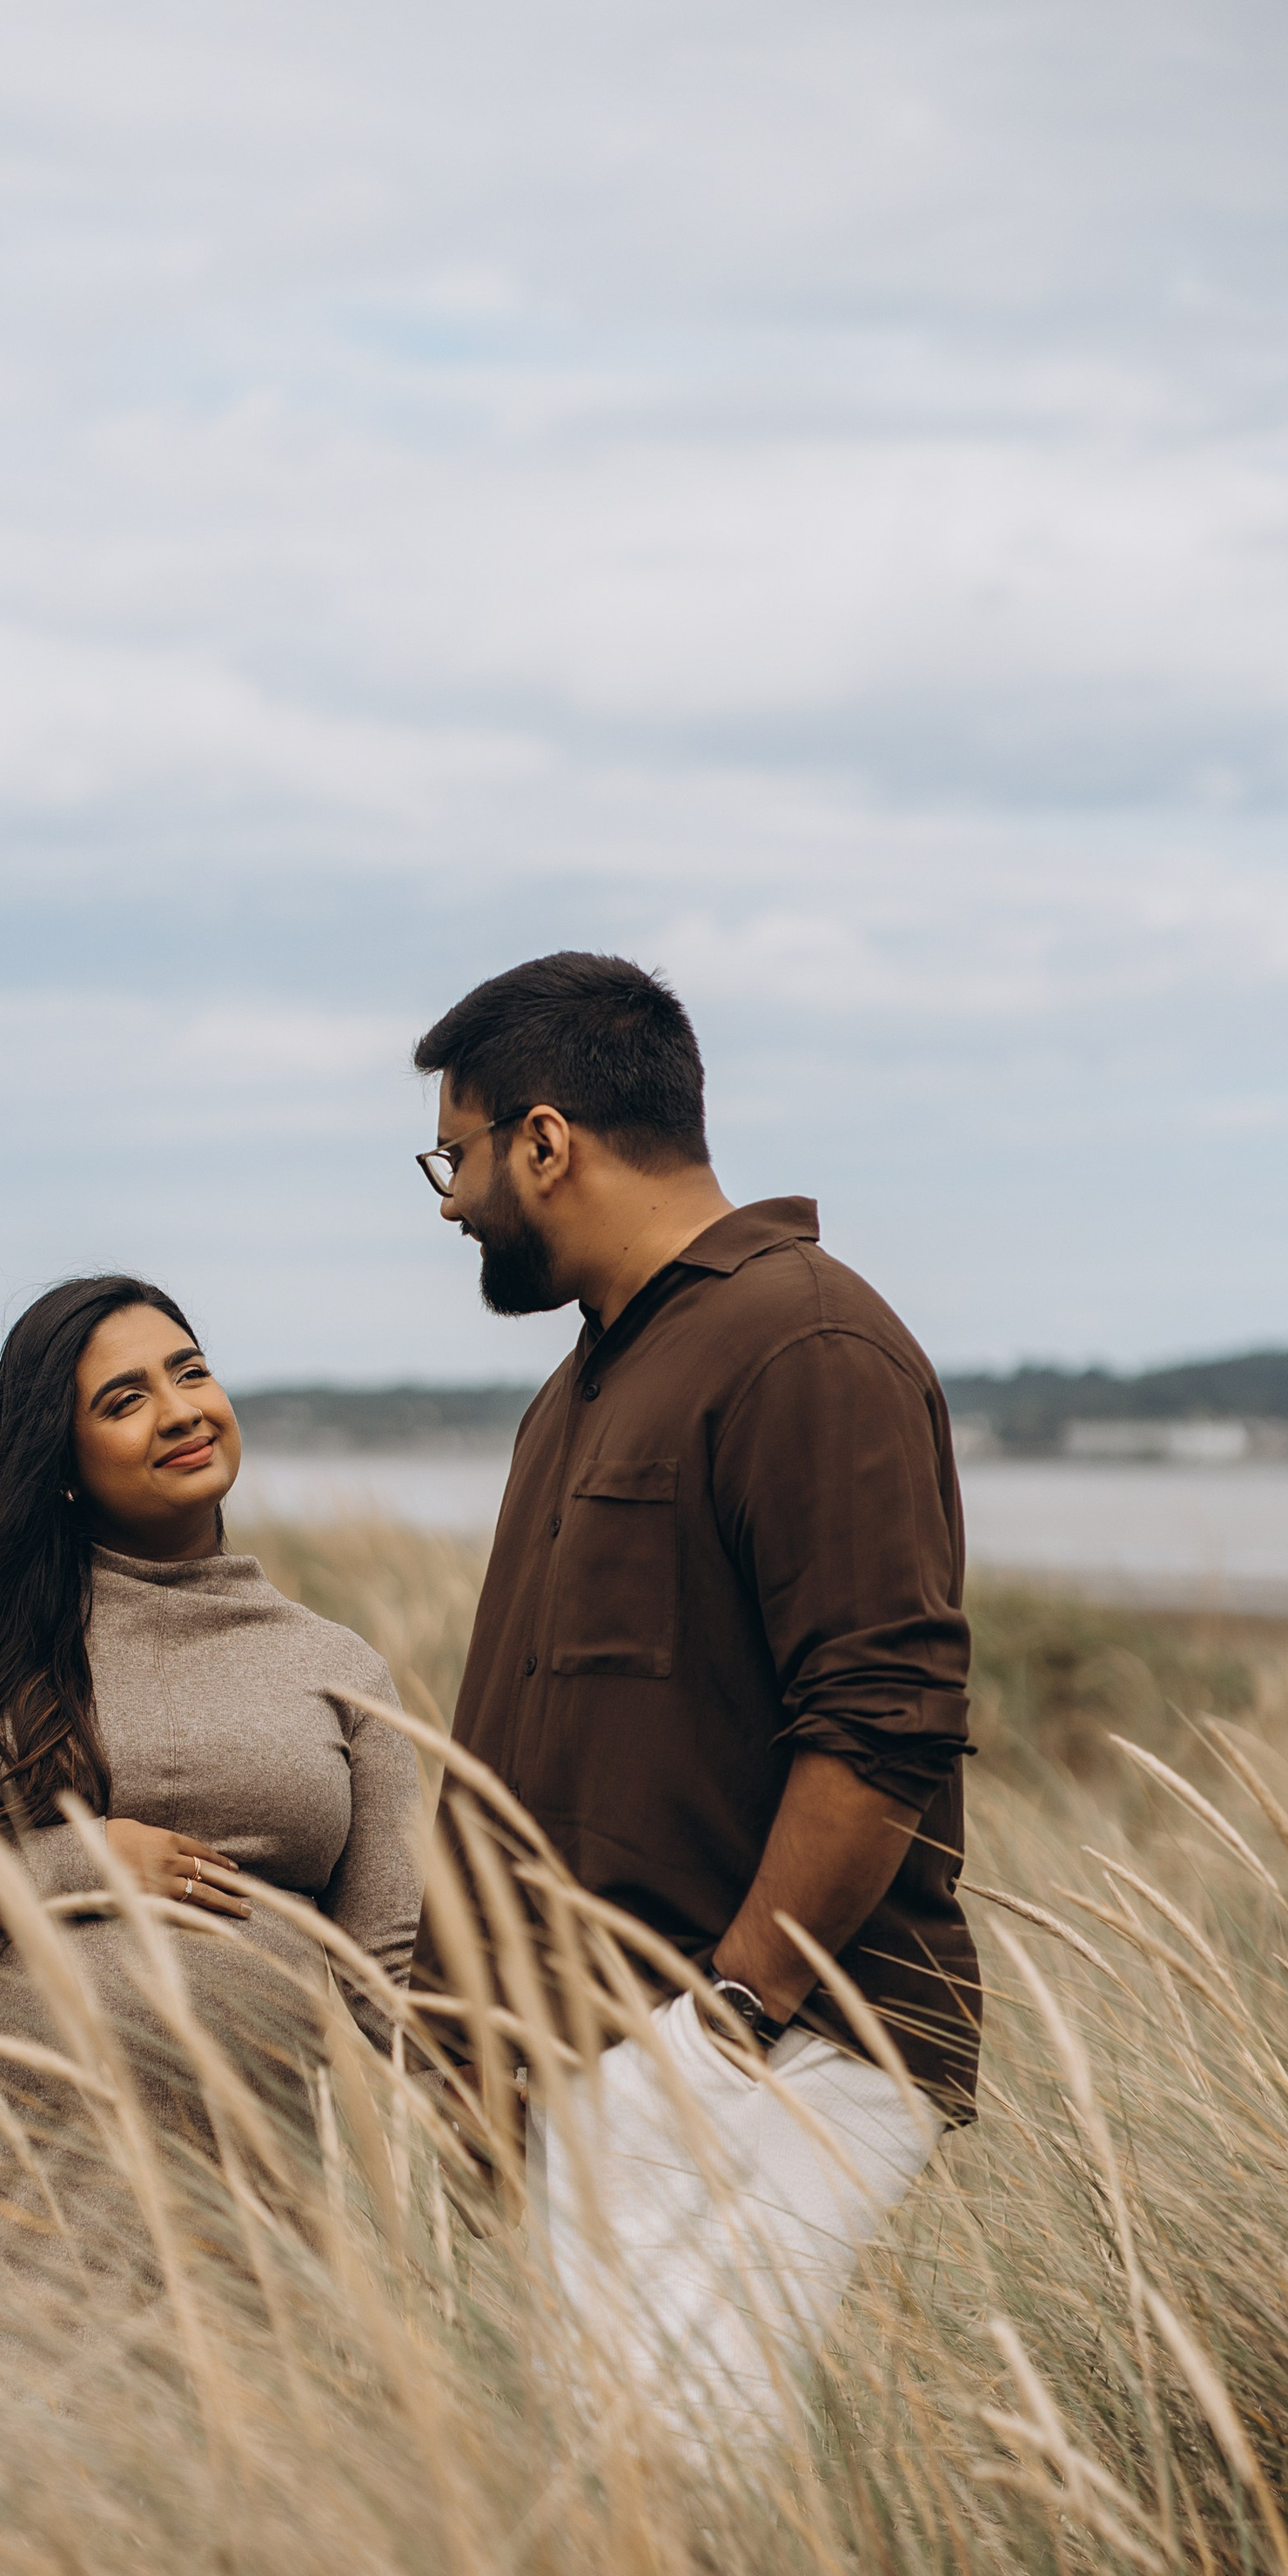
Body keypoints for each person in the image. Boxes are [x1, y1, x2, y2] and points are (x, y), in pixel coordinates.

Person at [410, 952, 976, 2418]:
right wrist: (477, 2040)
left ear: (545, 1141)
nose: (452, 1203)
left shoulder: (805, 1342)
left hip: (757, 2053)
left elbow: (884, 1718)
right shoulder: (582, 1390)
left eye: (455, 1158)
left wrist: (729, 2018)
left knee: (692, 2507)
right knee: (612, 2515)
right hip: (599, 2064)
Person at [0, 1274, 421, 2345]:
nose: (179, 1411)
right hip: (12, 2245)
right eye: (124, 1401)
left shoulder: (340, 1667)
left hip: (255, 2253)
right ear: (61, 1463)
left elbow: (388, 1984)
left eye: (191, 1373)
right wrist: (73, 1868)